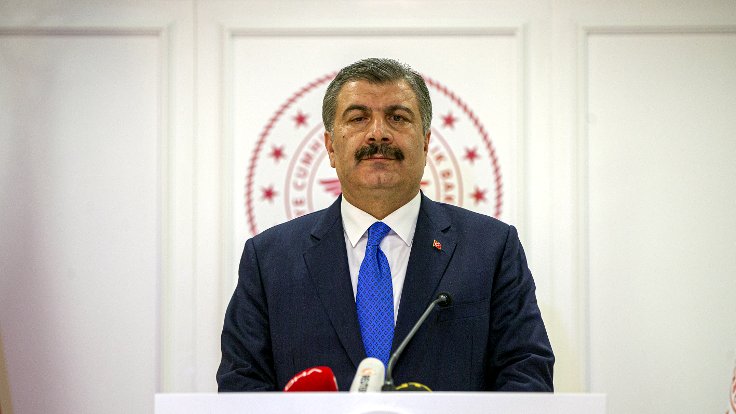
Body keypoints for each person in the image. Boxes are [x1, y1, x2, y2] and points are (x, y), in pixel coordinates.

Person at [217, 58, 554, 392]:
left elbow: (526, 376)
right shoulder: (269, 260)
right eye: (358, 118)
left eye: (397, 117)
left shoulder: (491, 249)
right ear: (331, 147)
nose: (378, 133)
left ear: (425, 143)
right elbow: (241, 385)